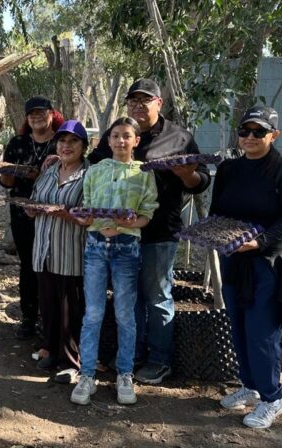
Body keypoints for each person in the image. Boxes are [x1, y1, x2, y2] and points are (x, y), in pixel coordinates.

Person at [88, 78, 211, 384]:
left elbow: (201, 181)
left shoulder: (179, 137)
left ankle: (159, 360)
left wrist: (188, 175)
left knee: (157, 297)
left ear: (159, 103)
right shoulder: (117, 132)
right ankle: (132, 355)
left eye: (145, 100)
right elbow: (94, 166)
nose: (138, 105)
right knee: (130, 299)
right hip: (121, 235)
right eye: (133, 100)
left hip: (159, 232)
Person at [210, 106, 282, 429]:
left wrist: (260, 241)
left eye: (259, 132)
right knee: (238, 327)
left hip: (268, 263)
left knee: (261, 332)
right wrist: (215, 235)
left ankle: (272, 397)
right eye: (245, 131)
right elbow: (217, 212)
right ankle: (250, 386)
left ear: (273, 135)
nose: (250, 137)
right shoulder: (229, 169)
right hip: (234, 260)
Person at [70, 117, 158, 406]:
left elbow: (147, 214)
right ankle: (87, 375)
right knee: (93, 313)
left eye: (127, 136)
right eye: (116, 135)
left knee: (124, 314)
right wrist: (85, 218)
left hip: (127, 248)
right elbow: (88, 209)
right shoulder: (95, 171)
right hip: (96, 246)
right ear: (108, 140)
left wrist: (130, 222)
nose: (121, 140)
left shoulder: (144, 173)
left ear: (136, 141)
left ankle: (124, 374)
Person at [0, 96, 64, 340]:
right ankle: (28, 317)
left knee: (52, 266)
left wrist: (42, 174)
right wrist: (8, 172)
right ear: (27, 118)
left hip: (54, 216)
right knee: (28, 265)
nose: (36, 117)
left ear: (51, 113)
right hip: (22, 216)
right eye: (31, 114)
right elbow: (6, 183)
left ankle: (51, 319)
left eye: (41, 112)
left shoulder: (61, 141)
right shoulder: (18, 143)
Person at [27, 119, 89, 377]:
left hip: (70, 251)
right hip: (43, 250)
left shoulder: (89, 175)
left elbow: (93, 214)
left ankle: (71, 362)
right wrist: (31, 209)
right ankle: (51, 350)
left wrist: (70, 215)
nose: (66, 146)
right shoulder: (49, 171)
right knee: (49, 305)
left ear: (84, 146)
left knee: (70, 310)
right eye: (62, 141)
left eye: (73, 141)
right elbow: (34, 200)